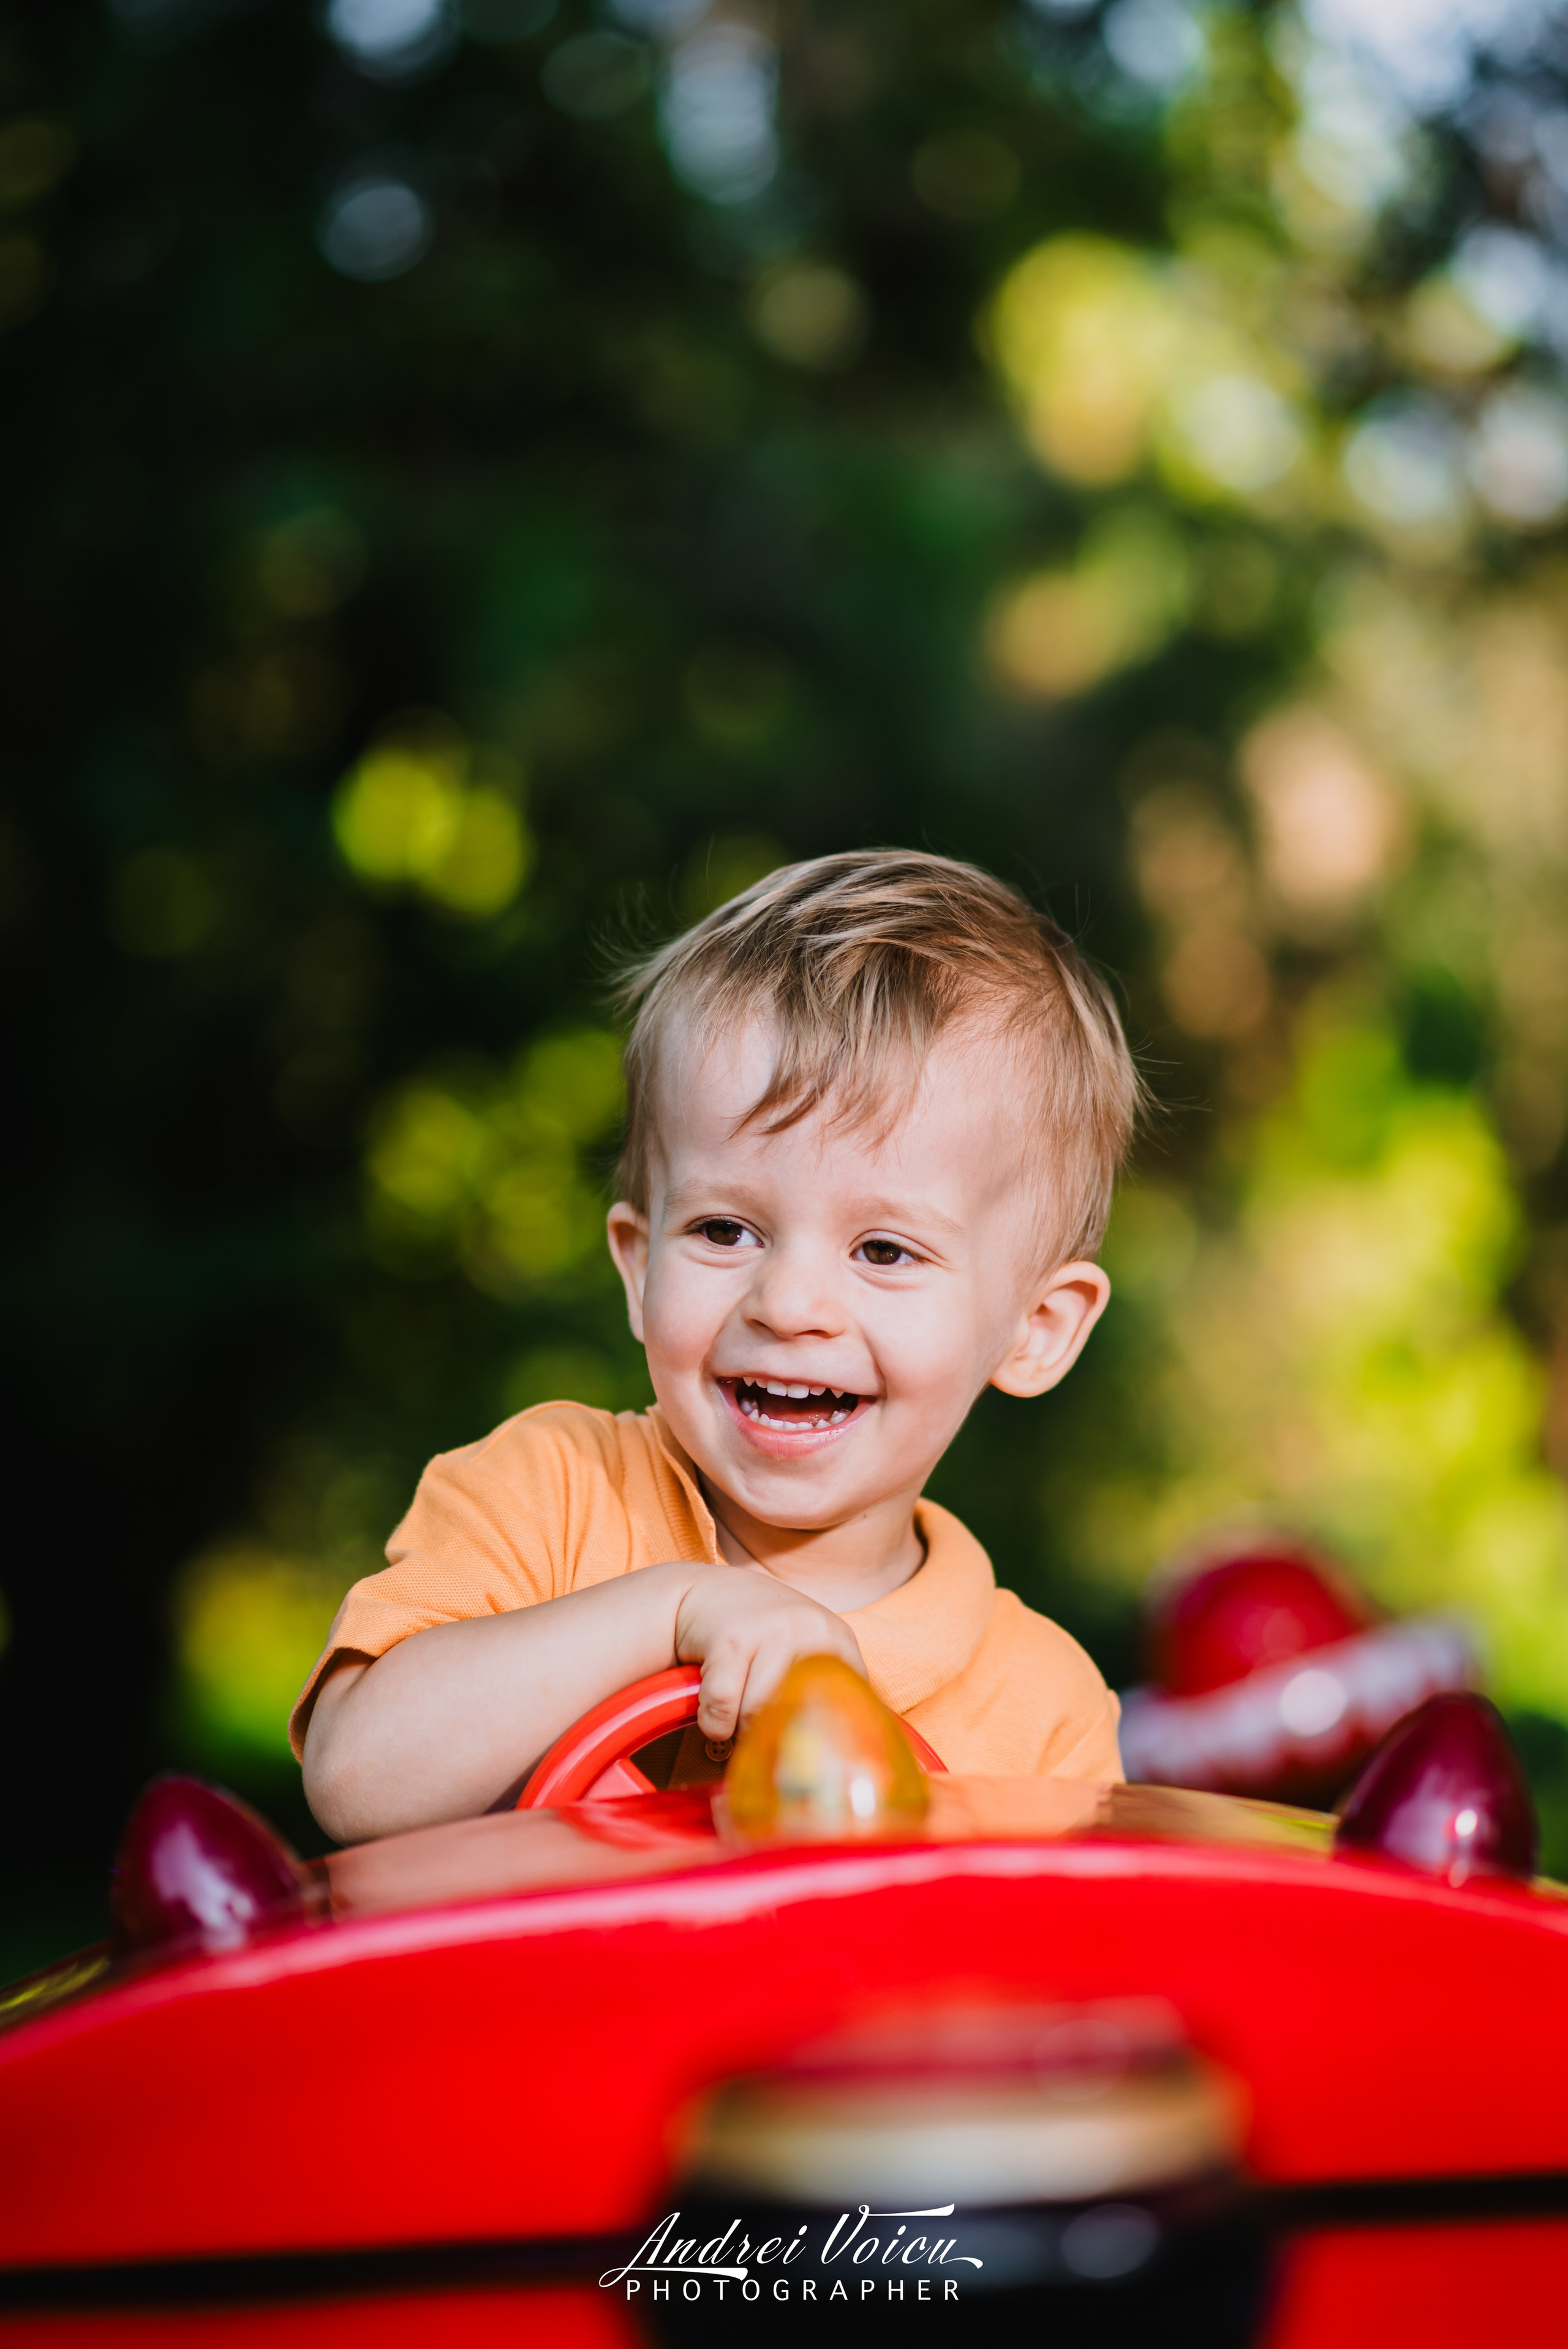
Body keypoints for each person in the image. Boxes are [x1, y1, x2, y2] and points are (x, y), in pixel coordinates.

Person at [296, 850, 1139, 1842]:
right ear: (638, 1265)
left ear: (1036, 1329)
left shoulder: (1041, 1709)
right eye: (724, 1231)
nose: (787, 1304)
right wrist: (675, 1610)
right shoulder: (554, 1496)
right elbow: (355, 1782)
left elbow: (1059, 1980)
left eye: (883, 1248)